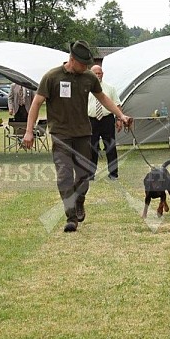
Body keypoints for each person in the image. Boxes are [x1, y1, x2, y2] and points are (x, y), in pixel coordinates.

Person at [22, 40, 131, 233]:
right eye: (83, 63)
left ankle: (80, 200)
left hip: (83, 134)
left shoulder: (89, 77)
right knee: (64, 176)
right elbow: (37, 103)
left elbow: (104, 98)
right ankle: (71, 216)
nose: (87, 67)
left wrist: (120, 114)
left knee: (83, 175)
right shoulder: (52, 77)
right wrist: (29, 131)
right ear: (72, 60)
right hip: (60, 135)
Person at [88, 65, 123, 180]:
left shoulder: (110, 88)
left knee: (110, 147)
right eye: (95, 73)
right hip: (91, 121)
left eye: (100, 73)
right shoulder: (86, 88)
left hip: (107, 119)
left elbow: (117, 104)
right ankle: (90, 174)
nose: (98, 75)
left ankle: (113, 174)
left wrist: (119, 119)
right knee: (92, 147)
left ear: (103, 74)